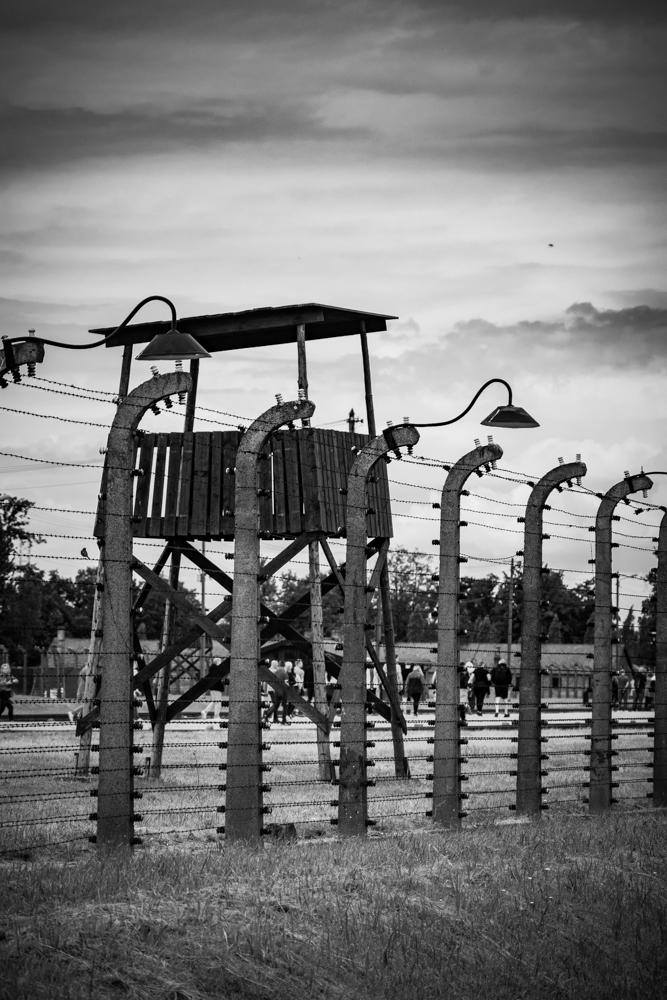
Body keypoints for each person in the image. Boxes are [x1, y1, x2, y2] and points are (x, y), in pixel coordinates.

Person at [201, 658, 224, 724]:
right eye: (220, 661)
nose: (221, 662)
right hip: (217, 688)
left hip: (213, 687)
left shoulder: (212, 669)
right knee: (218, 702)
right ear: (217, 662)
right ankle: (216, 716)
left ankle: (205, 711)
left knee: (214, 701)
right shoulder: (217, 669)